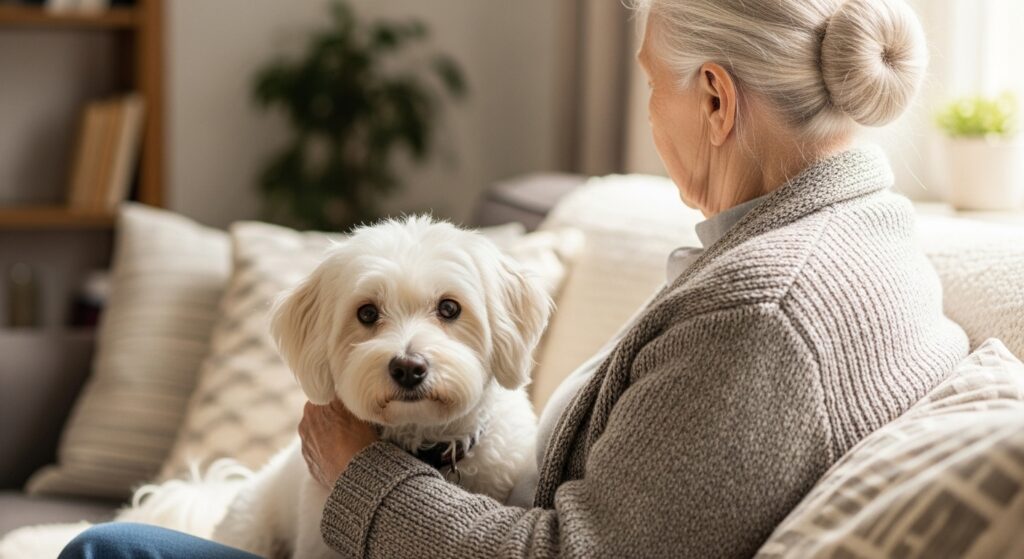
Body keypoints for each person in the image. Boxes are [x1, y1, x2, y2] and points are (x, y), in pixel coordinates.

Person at [61, 0, 969, 557]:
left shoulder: (762, 310)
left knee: (110, 552)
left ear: (716, 101)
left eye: (653, 86)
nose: (652, 118)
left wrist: (353, 475)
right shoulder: (860, 237)